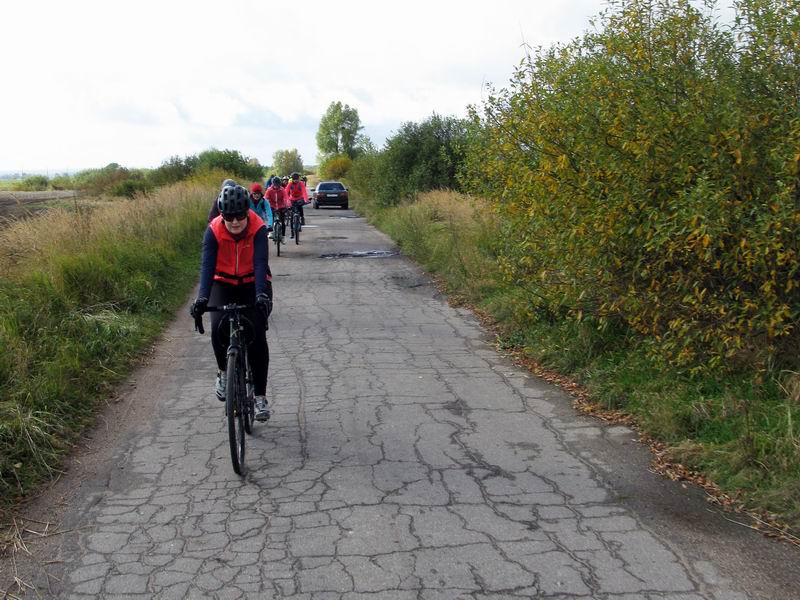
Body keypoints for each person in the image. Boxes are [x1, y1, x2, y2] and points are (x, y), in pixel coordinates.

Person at [190, 185, 273, 421]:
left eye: (239, 216)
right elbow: (206, 267)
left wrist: (260, 296)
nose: (235, 222)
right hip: (222, 282)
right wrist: (202, 299)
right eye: (228, 217)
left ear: (247, 212)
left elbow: (259, 263)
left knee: (256, 335)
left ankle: (259, 397)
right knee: (218, 326)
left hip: (252, 282)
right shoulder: (213, 230)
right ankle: (223, 373)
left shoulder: (257, 227)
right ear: (221, 214)